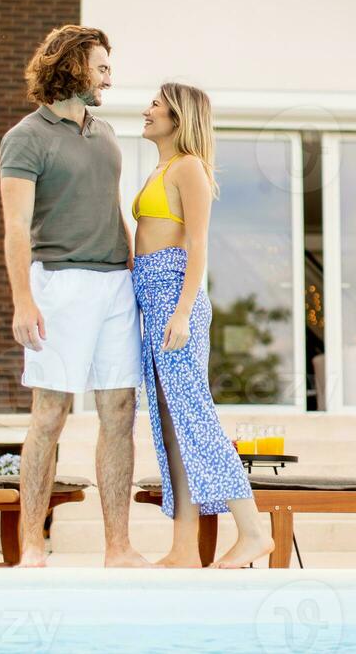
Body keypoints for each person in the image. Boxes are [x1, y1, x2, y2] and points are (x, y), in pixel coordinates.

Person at [0, 24, 148, 568]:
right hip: (59, 284)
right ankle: (32, 544)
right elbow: (16, 227)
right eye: (102, 67)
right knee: (50, 413)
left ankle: (118, 547)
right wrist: (23, 299)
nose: (110, 76)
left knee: (120, 411)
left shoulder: (105, 133)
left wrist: (133, 275)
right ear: (71, 66)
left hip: (116, 285)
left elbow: (112, 210)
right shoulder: (25, 137)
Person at [131, 82, 274, 569]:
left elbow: (197, 246)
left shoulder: (190, 167)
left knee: (195, 419)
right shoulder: (162, 168)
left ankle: (253, 531)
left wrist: (183, 312)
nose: (146, 111)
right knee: (171, 427)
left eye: (155, 105)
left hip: (174, 299)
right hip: (153, 300)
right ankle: (184, 548)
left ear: (178, 116)